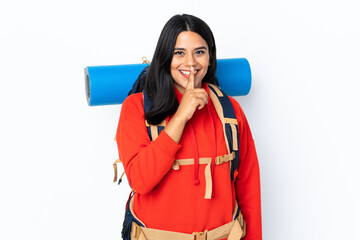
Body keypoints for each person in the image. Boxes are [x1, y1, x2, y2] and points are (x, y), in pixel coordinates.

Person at [116, 14, 262, 240]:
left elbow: (248, 188)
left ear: (210, 57)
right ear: (165, 57)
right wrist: (181, 117)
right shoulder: (135, 108)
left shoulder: (230, 111)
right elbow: (140, 181)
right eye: (179, 53)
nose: (191, 63)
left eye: (200, 52)